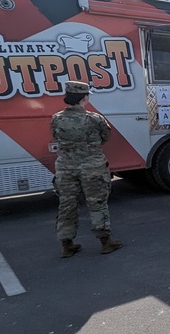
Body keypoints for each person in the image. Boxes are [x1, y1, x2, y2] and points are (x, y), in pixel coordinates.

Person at [51, 81, 123, 257]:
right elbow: (105, 136)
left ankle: (67, 245)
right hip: (92, 166)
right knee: (97, 203)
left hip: (66, 167)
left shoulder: (57, 118)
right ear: (84, 97)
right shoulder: (94, 118)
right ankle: (105, 242)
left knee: (67, 204)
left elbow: (55, 136)